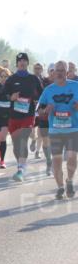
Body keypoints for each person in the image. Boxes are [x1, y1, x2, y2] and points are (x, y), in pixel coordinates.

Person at [37, 61, 78, 200]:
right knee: (57, 160)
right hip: (55, 130)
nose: (60, 73)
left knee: (72, 157)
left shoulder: (76, 86)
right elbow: (38, 110)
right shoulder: (48, 90)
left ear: (67, 72)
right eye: (57, 70)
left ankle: (70, 181)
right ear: (54, 73)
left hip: (73, 129)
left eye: (62, 70)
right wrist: (45, 110)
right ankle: (60, 187)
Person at [2, 52, 44, 181]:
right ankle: (21, 165)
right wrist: (11, 97)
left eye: (24, 60)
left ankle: (20, 170)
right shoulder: (11, 79)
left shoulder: (33, 78)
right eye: (20, 61)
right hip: (14, 116)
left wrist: (40, 105)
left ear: (27, 63)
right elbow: (2, 95)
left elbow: (42, 94)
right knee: (16, 146)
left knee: (23, 140)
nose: (22, 62)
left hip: (28, 115)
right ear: (17, 64)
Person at [30, 62, 53, 172]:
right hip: (36, 109)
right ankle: (48, 159)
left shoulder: (62, 83)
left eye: (39, 68)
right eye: (36, 68)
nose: (37, 70)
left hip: (53, 114)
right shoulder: (34, 80)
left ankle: (48, 158)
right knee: (36, 132)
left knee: (47, 138)